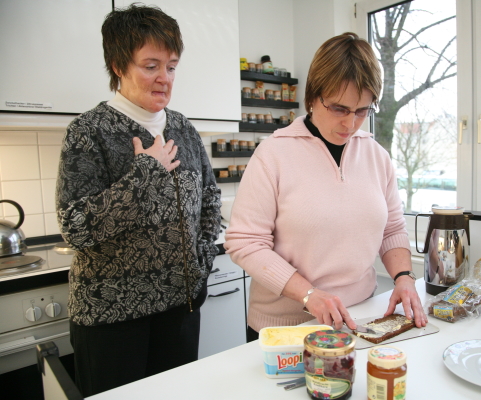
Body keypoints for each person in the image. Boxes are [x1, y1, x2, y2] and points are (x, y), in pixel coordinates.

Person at [55, 4, 220, 397]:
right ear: (118, 65)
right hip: (112, 319)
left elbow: (210, 200)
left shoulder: (184, 128)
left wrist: (200, 263)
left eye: (172, 66)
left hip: (180, 310)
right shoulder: (89, 132)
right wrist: (144, 174)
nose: (165, 78)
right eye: (151, 65)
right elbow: (75, 227)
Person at [225, 32, 427, 341]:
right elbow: (245, 242)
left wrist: (404, 277)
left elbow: (392, 230)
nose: (350, 123)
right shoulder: (273, 154)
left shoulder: (376, 156)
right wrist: (308, 294)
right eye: (339, 108)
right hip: (287, 328)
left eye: (362, 111)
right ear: (312, 97)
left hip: (361, 318)